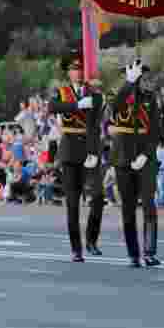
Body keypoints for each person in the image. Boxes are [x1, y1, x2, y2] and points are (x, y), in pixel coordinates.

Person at [48, 50, 105, 261]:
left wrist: (94, 98)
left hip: (89, 148)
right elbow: (52, 107)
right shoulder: (62, 92)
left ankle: (91, 239)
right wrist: (76, 105)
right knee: (72, 203)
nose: (78, 72)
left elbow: (97, 118)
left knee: (98, 197)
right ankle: (76, 248)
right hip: (70, 148)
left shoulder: (94, 92)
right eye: (74, 69)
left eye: (80, 68)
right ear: (68, 73)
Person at [109, 60, 163, 268]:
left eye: (139, 74)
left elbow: (156, 130)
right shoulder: (117, 95)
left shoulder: (150, 98)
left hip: (145, 158)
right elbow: (114, 110)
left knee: (149, 204)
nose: (136, 77)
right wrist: (128, 85)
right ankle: (133, 253)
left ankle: (149, 252)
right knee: (128, 208)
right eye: (131, 73)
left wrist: (146, 154)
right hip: (122, 156)